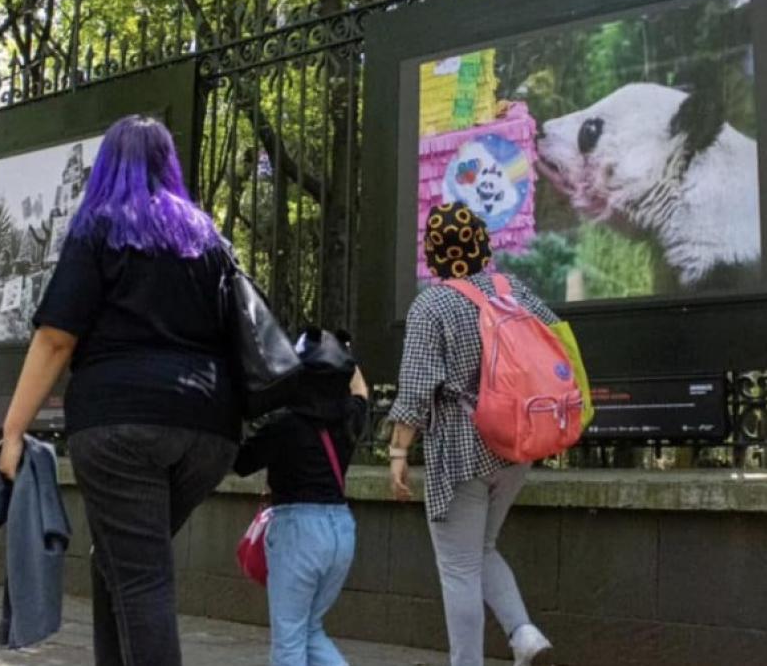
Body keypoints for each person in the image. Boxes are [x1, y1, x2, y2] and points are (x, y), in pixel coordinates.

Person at [0, 115, 240, 666]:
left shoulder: (98, 227)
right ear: (168, 164)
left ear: (106, 165)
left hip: (121, 426)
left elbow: (56, 339)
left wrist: (14, 430)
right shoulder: (206, 236)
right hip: (208, 431)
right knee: (119, 560)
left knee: (141, 577)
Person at [388, 203, 555, 666]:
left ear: (434, 253)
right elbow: (555, 340)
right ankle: (523, 635)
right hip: (516, 448)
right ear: (483, 245)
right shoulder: (514, 290)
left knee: (459, 567)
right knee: (481, 549)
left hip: (461, 452)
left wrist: (398, 453)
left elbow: (418, 388)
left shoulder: (432, 304)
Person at [233, 327, 369, 666]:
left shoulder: (285, 426)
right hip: (341, 530)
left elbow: (240, 461)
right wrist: (340, 350)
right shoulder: (350, 417)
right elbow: (361, 389)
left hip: (298, 533)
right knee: (309, 630)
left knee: (290, 642)